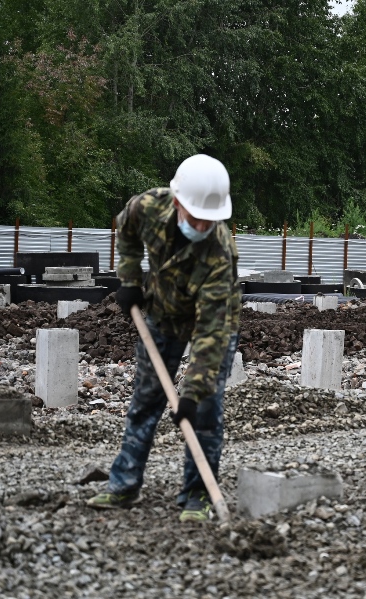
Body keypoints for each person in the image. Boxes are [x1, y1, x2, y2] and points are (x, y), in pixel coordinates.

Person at [87, 154, 242, 522]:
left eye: (210, 220)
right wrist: (128, 280)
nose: (203, 225)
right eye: (196, 217)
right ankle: (123, 486)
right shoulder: (148, 207)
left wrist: (191, 391)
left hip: (213, 322)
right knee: (145, 400)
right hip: (160, 313)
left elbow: (211, 334)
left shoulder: (220, 254)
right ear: (176, 203)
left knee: (204, 410)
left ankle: (198, 496)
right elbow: (125, 233)